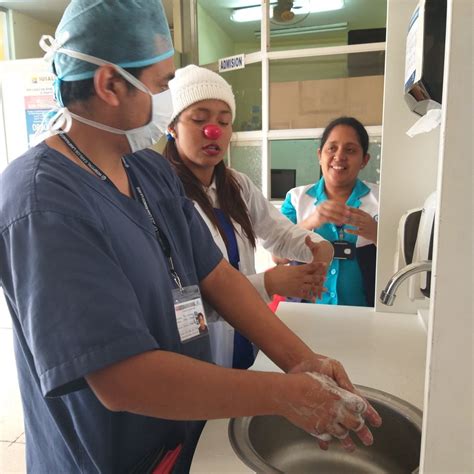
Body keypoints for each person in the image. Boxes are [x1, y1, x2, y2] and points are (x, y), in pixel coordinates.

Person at [0, 2, 381, 472]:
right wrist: (284, 396)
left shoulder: (146, 171)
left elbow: (218, 275)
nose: (168, 100)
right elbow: (123, 380)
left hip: (180, 435)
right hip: (107, 457)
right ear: (110, 85)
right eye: (161, 85)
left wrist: (302, 362)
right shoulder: (43, 202)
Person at [164, 65, 334, 369]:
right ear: (172, 126)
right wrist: (267, 284)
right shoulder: (163, 197)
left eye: (224, 121)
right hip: (199, 354)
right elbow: (181, 305)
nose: (213, 130)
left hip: (245, 338)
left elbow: (278, 232)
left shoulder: (237, 185)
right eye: (199, 119)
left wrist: (317, 247)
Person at [278, 117, 379, 307]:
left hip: (364, 315)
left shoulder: (382, 200)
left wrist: (375, 233)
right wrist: (311, 222)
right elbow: (277, 256)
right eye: (332, 148)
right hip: (305, 313)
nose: (339, 156)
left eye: (350, 150)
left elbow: (404, 257)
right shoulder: (296, 199)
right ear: (320, 155)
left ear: (364, 160)